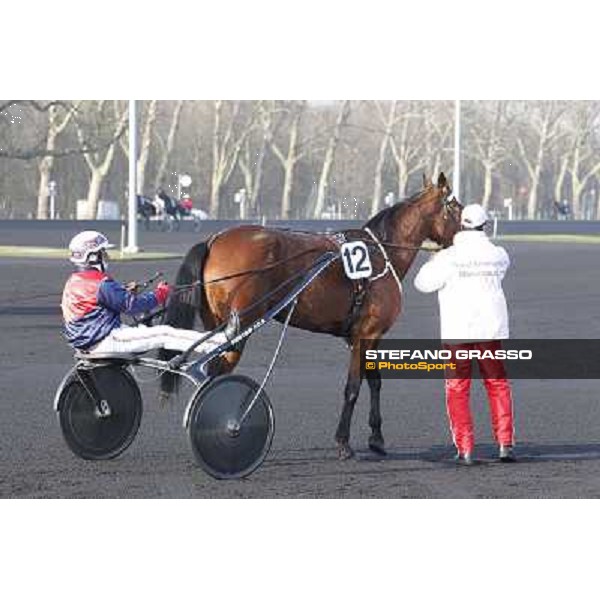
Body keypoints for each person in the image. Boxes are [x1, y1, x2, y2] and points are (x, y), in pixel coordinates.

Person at [414, 203, 516, 466]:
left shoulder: (449, 257)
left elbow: (422, 284)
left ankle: (466, 448)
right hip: (490, 330)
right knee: (497, 385)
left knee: (457, 389)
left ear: (461, 225)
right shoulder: (499, 254)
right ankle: (505, 444)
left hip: (458, 331)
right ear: (486, 225)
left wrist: (435, 256)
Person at [60, 230, 238, 358]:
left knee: (152, 331)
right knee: (165, 333)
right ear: (92, 257)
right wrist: (161, 294)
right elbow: (132, 306)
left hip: (88, 340)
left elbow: (100, 301)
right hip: (105, 340)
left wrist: (122, 291)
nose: (106, 256)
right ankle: (219, 342)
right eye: (103, 253)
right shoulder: (100, 283)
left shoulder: (74, 280)